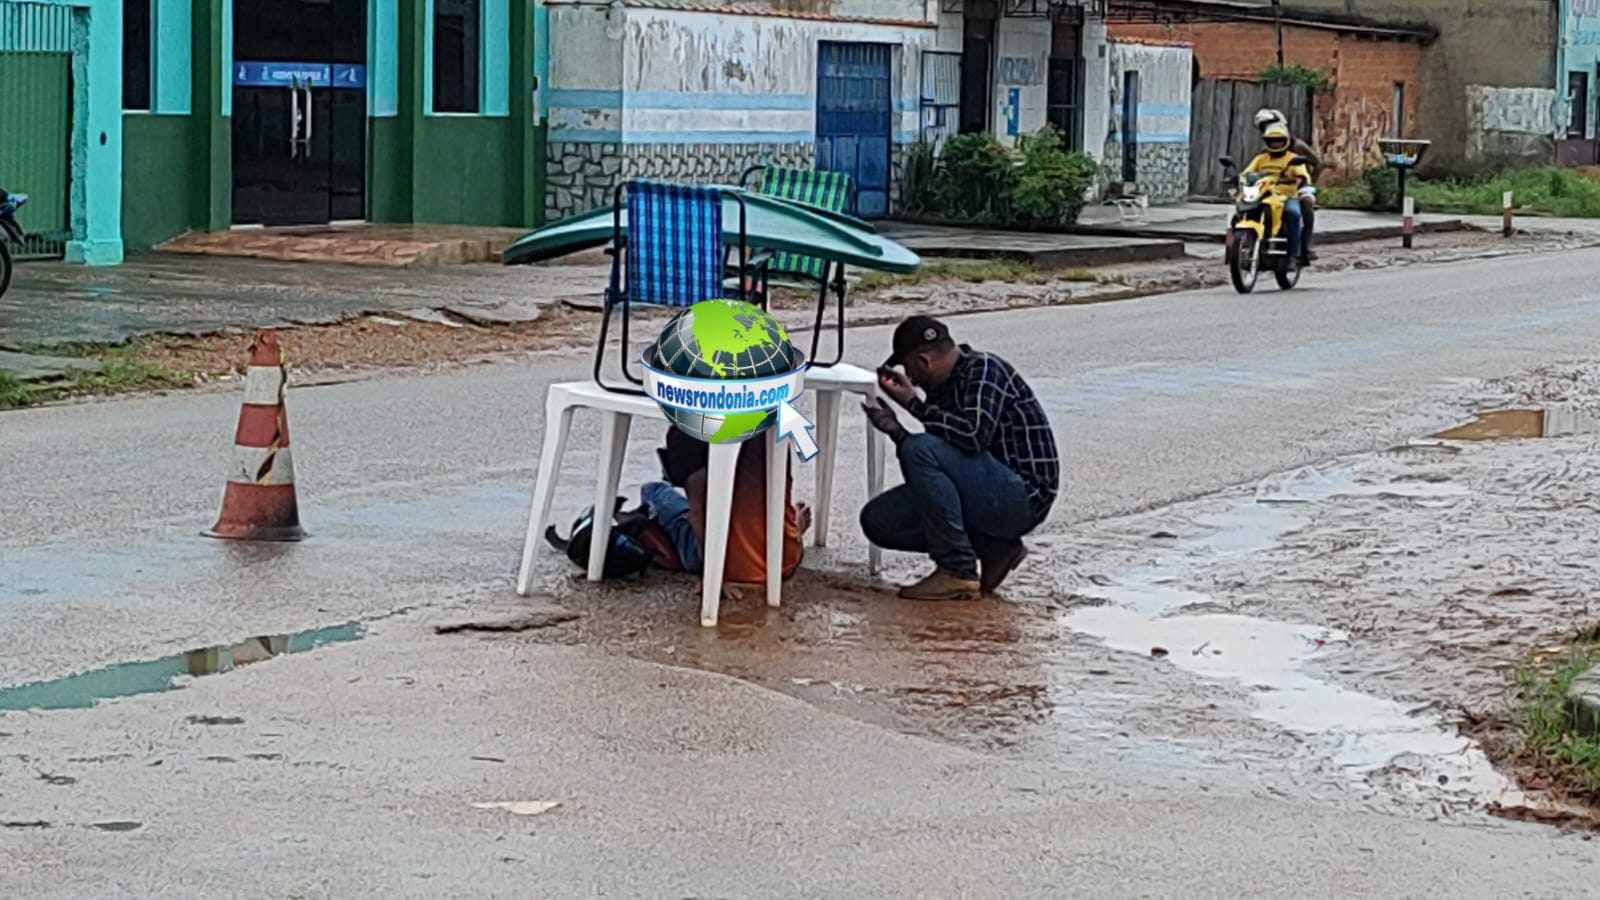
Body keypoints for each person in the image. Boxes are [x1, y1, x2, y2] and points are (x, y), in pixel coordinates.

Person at [858, 316, 1059, 602]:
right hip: (987, 490)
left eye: (909, 368)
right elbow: (943, 470)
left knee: (920, 448)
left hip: (1024, 495)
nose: (911, 378)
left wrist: (913, 404)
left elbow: (972, 435)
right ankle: (995, 549)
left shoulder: (985, 369)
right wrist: (897, 431)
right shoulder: (943, 389)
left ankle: (957, 569)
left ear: (924, 360)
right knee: (879, 520)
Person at [640, 426, 809, 601]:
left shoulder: (689, 429)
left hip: (732, 568)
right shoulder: (775, 427)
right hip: (785, 560)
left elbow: (699, 508)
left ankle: (653, 493)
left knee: (655, 492)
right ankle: (790, 530)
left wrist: (713, 575)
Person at [1253, 108, 1321, 263]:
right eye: (1263, 126)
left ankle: (1305, 246)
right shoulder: (1268, 147)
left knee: (1307, 203)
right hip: (1274, 185)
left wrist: (1309, 183)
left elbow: (1317, 163)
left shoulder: (1297, 145)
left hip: (1299, 182)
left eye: (1269, 124)